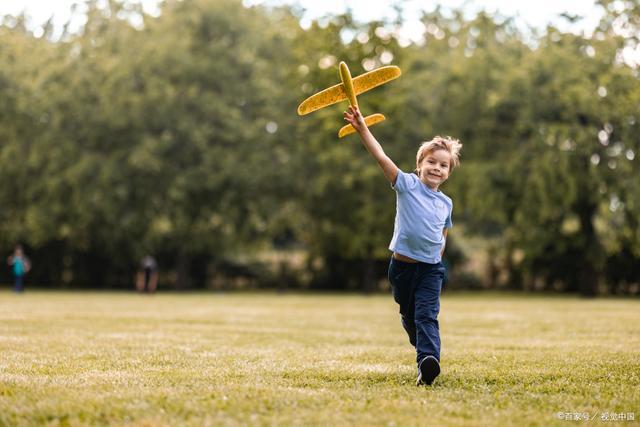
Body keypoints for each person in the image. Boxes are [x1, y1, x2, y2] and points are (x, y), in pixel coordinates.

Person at [344, 105, 462, 386]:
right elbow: (381, 157)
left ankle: (427, 363)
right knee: (410, 317)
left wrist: (437, 258)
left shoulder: (446, 203)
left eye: (443, 165)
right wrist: (362, 128)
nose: (437, 168)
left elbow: (443, 234)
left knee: (427, 315)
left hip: (431, 270)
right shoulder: (406, 184)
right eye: (431, 162)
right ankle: (418, 340)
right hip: (402, 268)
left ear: (448, 172)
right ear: (419, 164)